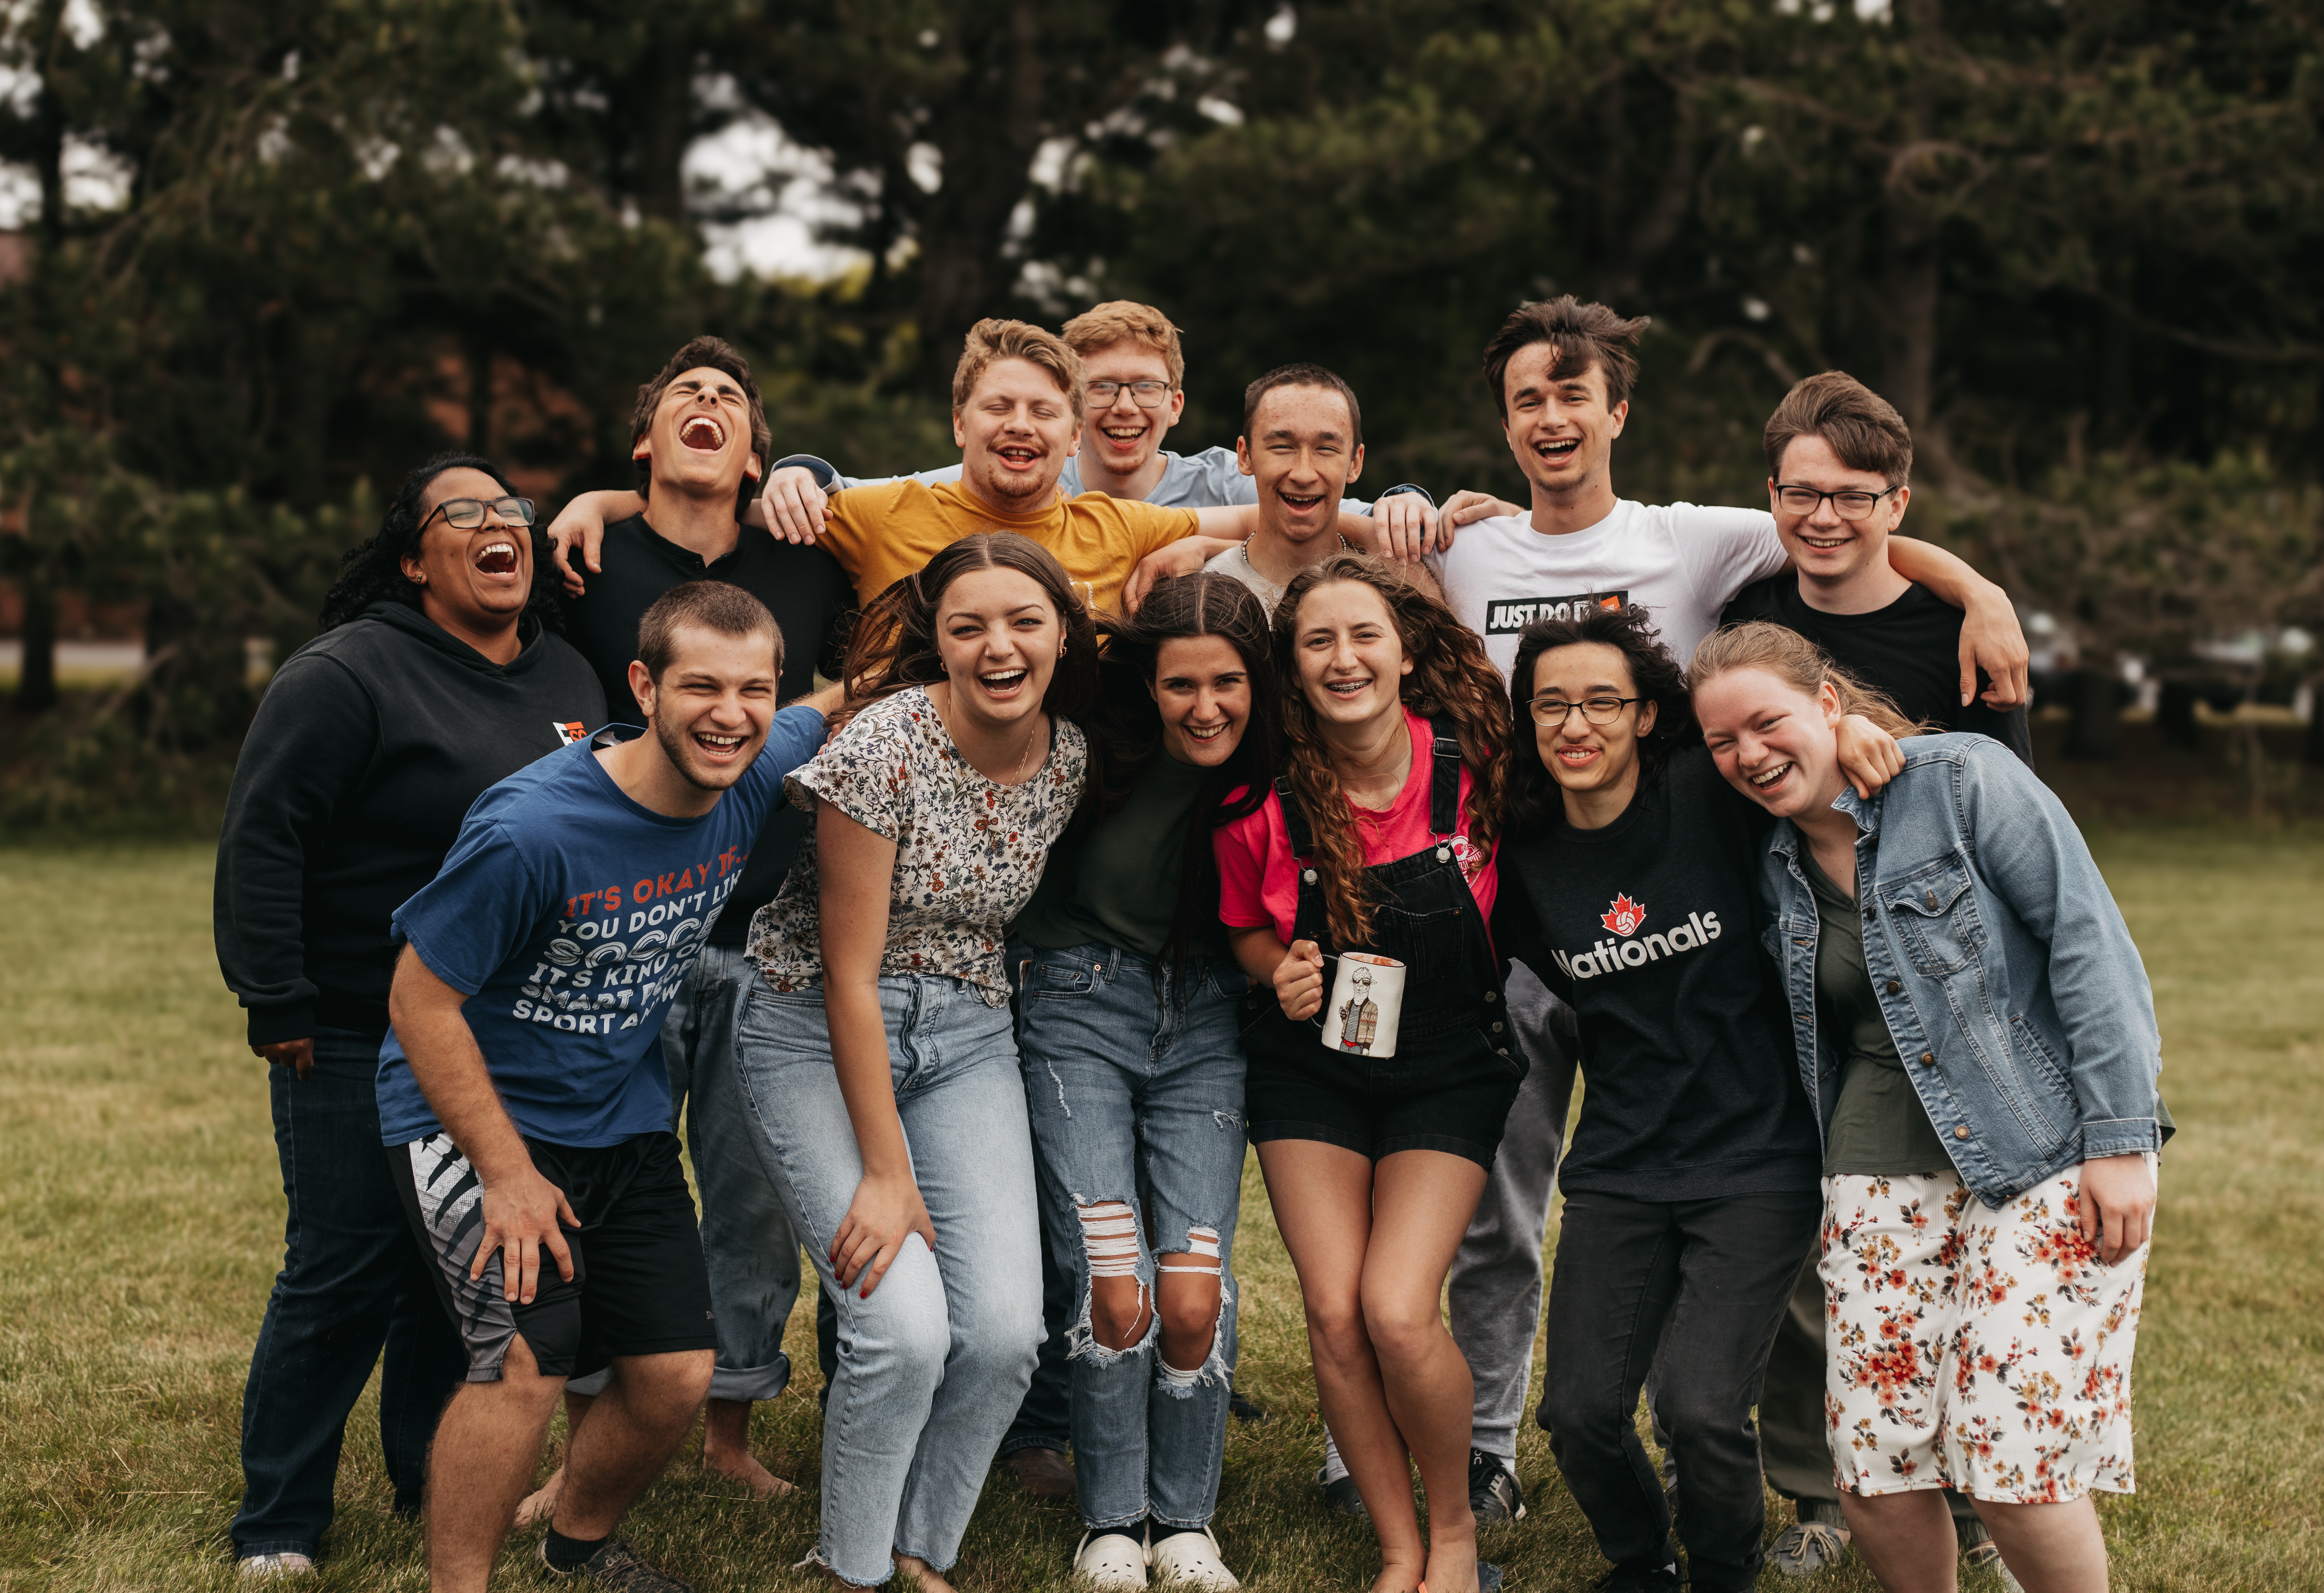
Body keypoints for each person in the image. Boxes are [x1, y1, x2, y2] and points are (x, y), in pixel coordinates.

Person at [1396, 296, 2030, 1527]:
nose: (1550, 417)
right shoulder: (1458, 545)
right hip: (1532, 905)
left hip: (1696, 908)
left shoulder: (1695, 538)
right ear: (1503, 419)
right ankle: (1483, 1443)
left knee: (1765, 1191)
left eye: (1573, 394)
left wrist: (1979, 590)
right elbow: (1312, 560)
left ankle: (1742, 1443)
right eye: (1526, 397)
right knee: (1501, 1202)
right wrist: (1403, 514)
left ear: (1614, 410)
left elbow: (1852, 527)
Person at [1690, 622, 2163, 1593]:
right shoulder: (1769, 858)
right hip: (1870, 1164)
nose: (1747, 755)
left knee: (2009, 1463)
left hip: (2039, 1145)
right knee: (1873, 1460)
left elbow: (2089, 944)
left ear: (1828, 703)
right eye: (1720, 742)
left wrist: (2121, 1141)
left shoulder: (1959, 782)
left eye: (1766, 722)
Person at [380, 581, 826, 1593]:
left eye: (752, 688)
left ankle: (578, 1544)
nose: (731, 712)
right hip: (479, 1125)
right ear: (643, 684)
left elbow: (830, 704)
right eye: (700, 685)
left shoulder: (751, 779)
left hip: (616, 1121)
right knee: (522, 1365)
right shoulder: (532, 830)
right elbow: (419, 1004)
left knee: (673, 1375)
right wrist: (503, 1172)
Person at [213, 452, 604, 1578]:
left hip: (498, 1036)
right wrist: (273, 994)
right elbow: (265, 835)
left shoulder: (568, 674)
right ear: (414, 560)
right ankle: (279, 1520)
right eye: (463, 513)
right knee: (343, 1266)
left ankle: (422, 1476)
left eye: (511, 512)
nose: (499, 525)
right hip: (345, 1022)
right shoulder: (349, 673)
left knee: (459, 1271)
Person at [1489, 602, 1901, 1593]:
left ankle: (1723, 1572)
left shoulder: (1704, 798)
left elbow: (1786, 753)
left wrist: (1845, 727)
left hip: (1757, 1161)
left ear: (1643, 716)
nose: (1575, 725)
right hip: (1622, 1164)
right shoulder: (1525, 852)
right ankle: (1643, 1564)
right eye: (1551, 706)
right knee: (1578, 1414)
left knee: (1703, 1408)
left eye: (1601, 702)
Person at [522, 335, 852, 1522]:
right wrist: (584, 501)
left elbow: (879, 652)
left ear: (758, 448)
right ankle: (588, 1432)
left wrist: (792, 722)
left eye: (730, 398)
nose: (708, 405)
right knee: (604, 1178)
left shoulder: (810, 551)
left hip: (770, 929)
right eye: (683, 396)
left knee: (755, 1188)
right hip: (617, 930)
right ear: (644, 442)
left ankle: (727, 1423)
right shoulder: (588, 552)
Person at [734, 532, 1097, 1592]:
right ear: (935, 637)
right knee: (899, 1330)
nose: (998, 645)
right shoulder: (879, 749)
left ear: (1062, 634)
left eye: (1024, 621)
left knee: (1000, 1334)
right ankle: (851, 1569)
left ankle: (919, 1547)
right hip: (816, 1020)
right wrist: (889, 1176)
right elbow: (849, 974)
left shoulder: (1069, 755)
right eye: (968, 624)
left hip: (970, 1029)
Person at [1717, 370, 2030, 1578]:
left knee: (1954, 1240)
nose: (1825, 517)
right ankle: (1813, 1488)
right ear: (1772, 494)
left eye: (1853, 495)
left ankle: (1968, 1498)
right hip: (1790, 960)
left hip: (1937, 971)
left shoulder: (1955, 630)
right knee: (1820, 1240)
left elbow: (2005, 815)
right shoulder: (1744, 607)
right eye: (1803, 492)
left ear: (1897, 499)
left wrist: (1978, 588)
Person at [1219, 553, 1517, 1593]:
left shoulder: (1482, 767)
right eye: (1316, 642)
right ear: (1290, 668)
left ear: (1403, 650)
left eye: (1363, 637)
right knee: (1337, 1315)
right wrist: (1279, 970)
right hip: (1314, 1072)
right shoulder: (1261, 796)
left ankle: (1457, 1534)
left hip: (1448, 1068)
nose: (1343, 659)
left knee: (1397, 1308)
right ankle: (1399, 1548)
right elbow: (1245, 932)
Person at [544, 309, 1440, 623]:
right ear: (959, 422)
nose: (1022, 426)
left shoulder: (1120, 523)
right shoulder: (892, 506)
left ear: (1068, 434)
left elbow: (1270, 516)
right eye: (1000, 408)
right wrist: (603, 503)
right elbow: (706, 506)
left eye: (1044, 411)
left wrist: (1399, 510)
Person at [1006, 572, 1278, 1589]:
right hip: (1079, 1005)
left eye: (1226, 683)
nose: (1204, 706)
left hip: (1208, 1021)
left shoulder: (1274, 767)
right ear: (1147, 686)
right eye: (1180, 685)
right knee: (1112, 1281)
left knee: (1194, 1290)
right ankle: (1112, 1521)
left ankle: (1187, 1523)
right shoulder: (1088, 747)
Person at [1203, 364, 1376, 613]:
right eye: (1282, 447)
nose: (1304, 475)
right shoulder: (1201, 597)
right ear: (1245, 456)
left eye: (1326, 449)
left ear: (1355, 463)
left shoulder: (1393, 591)